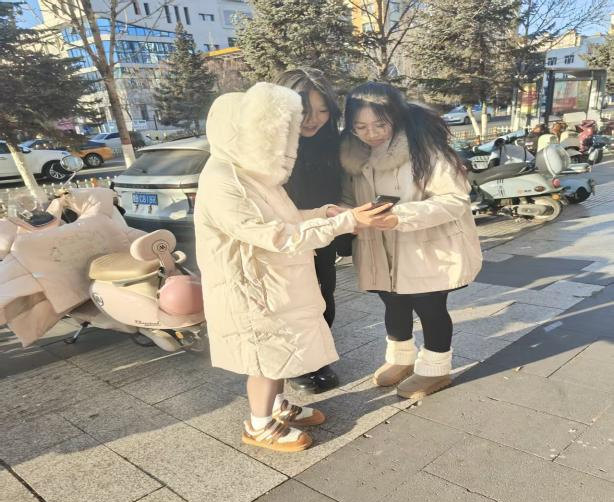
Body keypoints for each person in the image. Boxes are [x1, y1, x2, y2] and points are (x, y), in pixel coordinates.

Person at [194, 82, 391, 452]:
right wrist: (344, 222)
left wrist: (323, 213)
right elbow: (273, 235)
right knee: (264, 360)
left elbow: (285, 218)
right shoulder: (223, 180)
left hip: (270, 282)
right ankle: (258, 424)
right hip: (250, 288)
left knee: (279, 352)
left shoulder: (251, 174)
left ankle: (276, 405)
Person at [340, 82, 483, 402]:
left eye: (380, 124)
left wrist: (400, 217)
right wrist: (346, 214)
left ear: (396, 117)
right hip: (379, 248)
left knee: (430, 307)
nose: (371, 133)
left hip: (425, 247)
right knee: (393, 302)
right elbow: (349, 198)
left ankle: (435, 368)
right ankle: (401, 357)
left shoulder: (425, 150)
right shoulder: (353, 156)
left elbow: (455, 200)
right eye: (360, 126)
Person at [274, 68, 344, 393]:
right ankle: (297, 366)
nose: (314, 119)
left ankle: (318, 359)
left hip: (322, 235)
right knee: (292, 305)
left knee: (323, 297)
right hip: (282, 240)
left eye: (323, 110)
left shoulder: (333, 143)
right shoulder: (269, 149)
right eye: (305, 110)